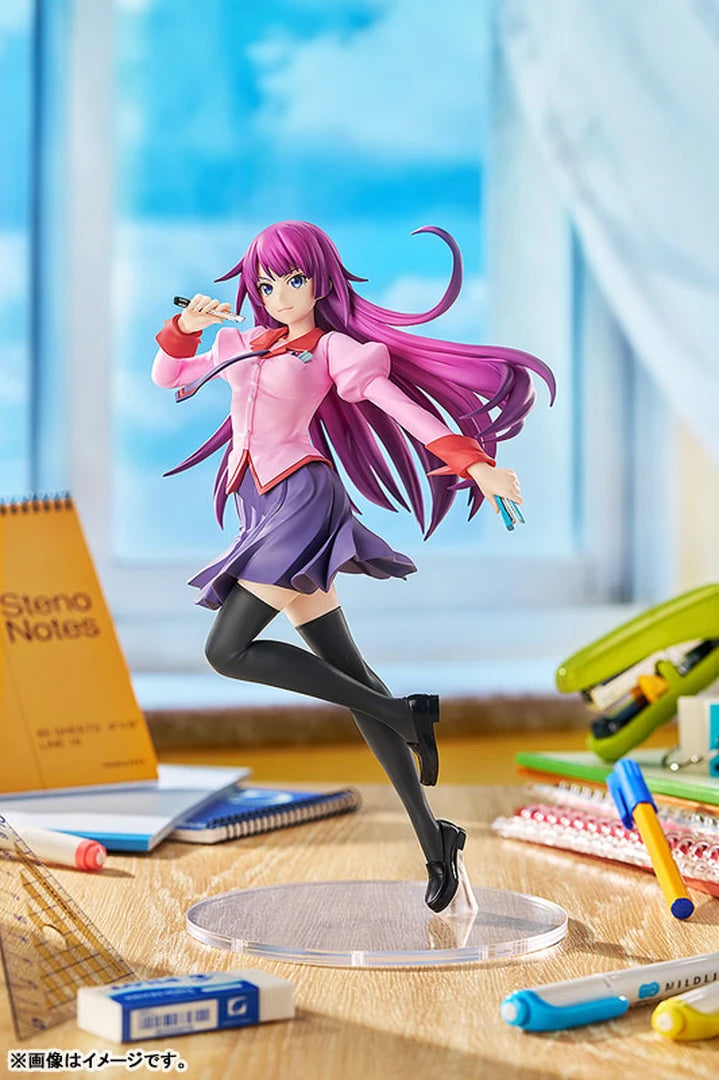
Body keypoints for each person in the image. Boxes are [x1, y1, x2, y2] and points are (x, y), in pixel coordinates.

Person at [152, 220, 554, 913]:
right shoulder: (237, 344)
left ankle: (403, 714)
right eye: (267, 284)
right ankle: (435, 838)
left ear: (321, 282)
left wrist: (476, 465)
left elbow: (404, 410)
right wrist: (186, 326)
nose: (280, 295)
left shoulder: (335, 350)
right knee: (351, 675)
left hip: (301, 501)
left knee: (226, 650)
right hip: (261, 506)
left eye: (294, 281)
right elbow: (169, 376)